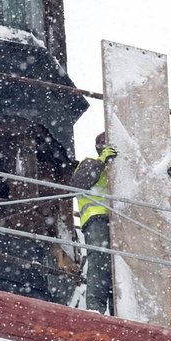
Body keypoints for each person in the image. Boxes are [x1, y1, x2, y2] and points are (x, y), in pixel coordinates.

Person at [72, 133, 118, 313]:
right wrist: (101, 161)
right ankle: (95, 310)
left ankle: (119, 314)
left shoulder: (118, 172)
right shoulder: (90, 163)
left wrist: (165, 177)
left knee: (120, 271)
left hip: (120, 222)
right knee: (100, 264)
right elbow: (78, 184)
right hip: (96, 219)